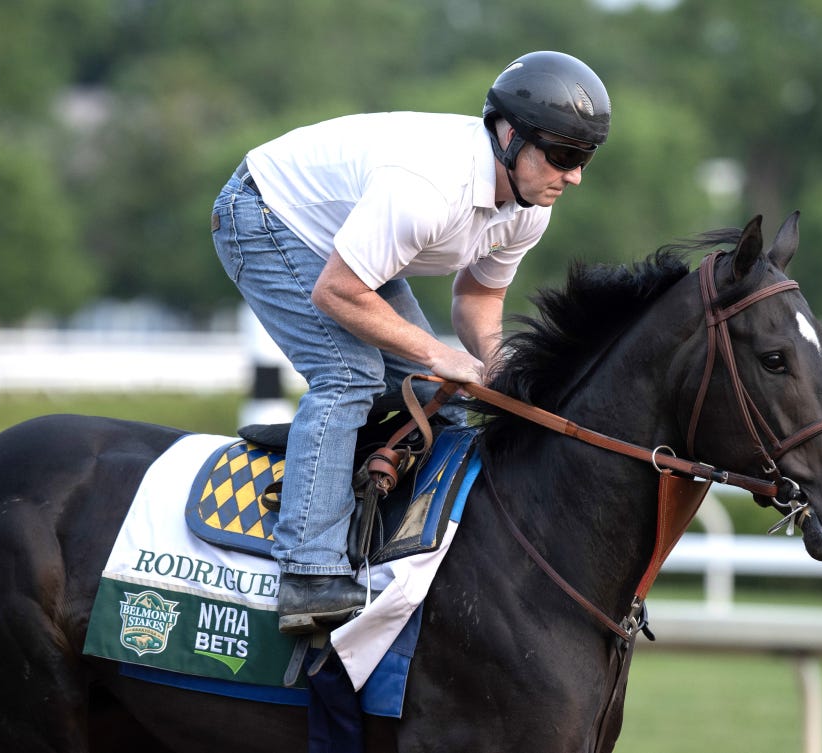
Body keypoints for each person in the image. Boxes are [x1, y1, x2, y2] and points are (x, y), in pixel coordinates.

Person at [210, 50, 610, 635]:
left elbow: (476, 301)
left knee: (441, 393)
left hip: (351, 243)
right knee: (350, 377)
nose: (573, 176)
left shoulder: (528, 210)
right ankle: (308, 572)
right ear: (507, 134)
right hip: (265, 213)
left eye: (586, 158)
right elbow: (338, 292)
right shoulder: (427, 190)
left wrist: (499, 378)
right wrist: (438, 353)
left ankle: (362, 506)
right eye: (564, 155)